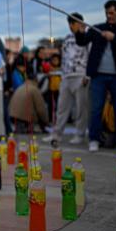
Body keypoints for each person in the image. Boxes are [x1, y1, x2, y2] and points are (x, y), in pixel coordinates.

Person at [76, 0, 116, 152]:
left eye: (112, 13)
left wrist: (114, 37)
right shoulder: (97, 29)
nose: (109, 16)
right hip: (98, 76)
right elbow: (82, 42)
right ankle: (94, 139)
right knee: (96, 109)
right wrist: (80, 32)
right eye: (107, 13)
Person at [43, 13, 90, 145]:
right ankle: (57, 134)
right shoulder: (67, 38)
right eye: (70, 23)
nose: (71, 26)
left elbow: (91, 55)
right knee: (62, 107)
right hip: (66, 76)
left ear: (80, 23)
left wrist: (87, 75)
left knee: (81, 108)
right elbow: (64, 58)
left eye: (73, 23)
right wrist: (63, 75)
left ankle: (80, 134)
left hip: (81, 75)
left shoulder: (87, 37)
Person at [9, 66, 48, 134]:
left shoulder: (21, 87)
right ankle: (28, 127)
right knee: (38, 112)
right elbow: (41, 109)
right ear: (35, 80)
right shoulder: (34, 89)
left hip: (12, 115)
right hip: (24, 117)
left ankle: (21, 127)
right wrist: (45, 121)